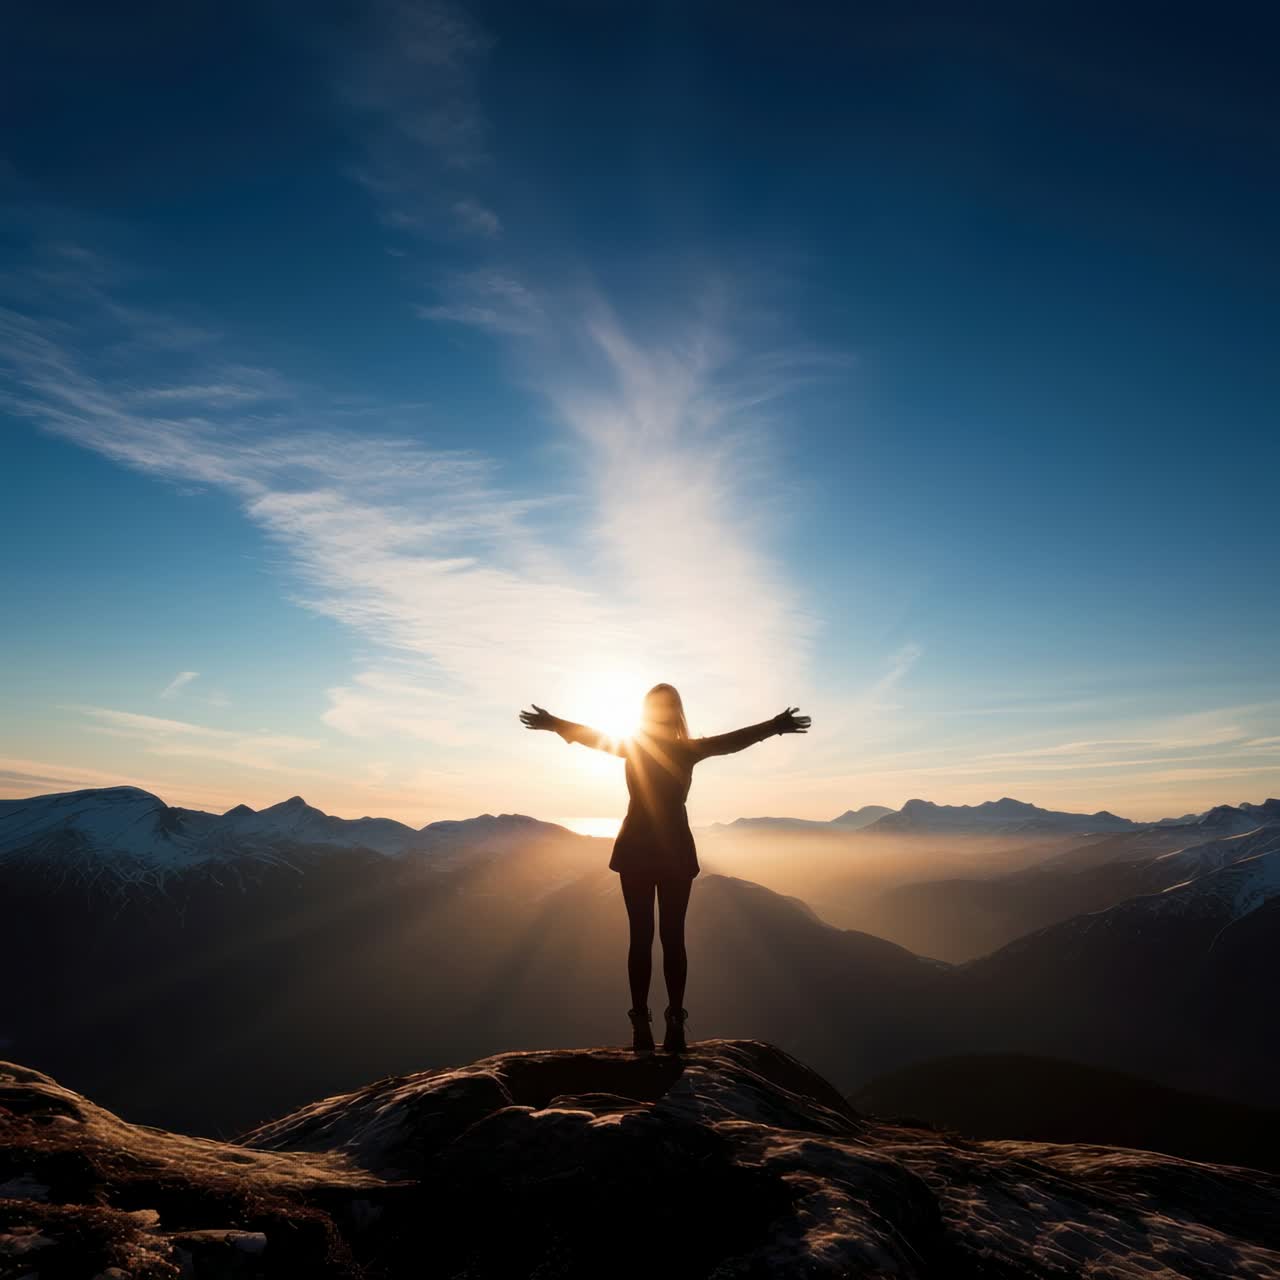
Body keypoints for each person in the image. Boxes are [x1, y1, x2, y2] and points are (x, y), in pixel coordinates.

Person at [518, 684, 810, 1055]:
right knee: (673, 937)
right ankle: (675, 1024)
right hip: (673, 850)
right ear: (676, 714)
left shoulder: (632, 746)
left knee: (641, 937)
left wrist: (553, 723)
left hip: (636, 849)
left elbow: (591, 736)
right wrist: (773, 726)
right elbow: (731, 742)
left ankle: (641, 1024)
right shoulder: (687, 749)